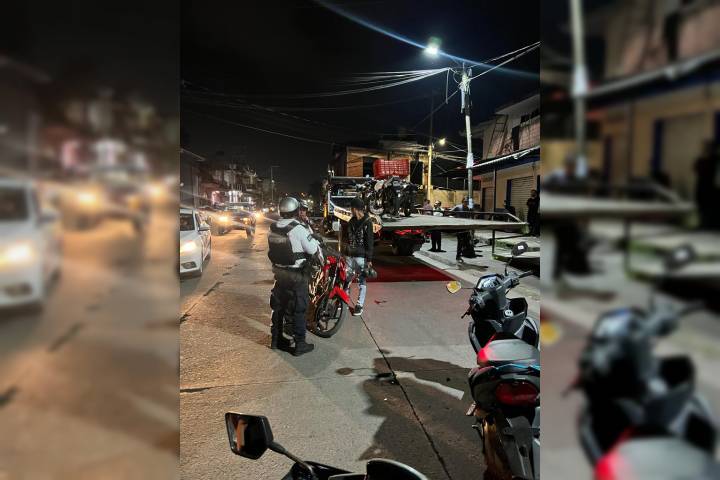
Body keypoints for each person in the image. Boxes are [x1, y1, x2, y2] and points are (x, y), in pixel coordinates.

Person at [267, 196, 323, 356]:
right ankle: (300, 344)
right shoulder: (298, 229)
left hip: (279, 274)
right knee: (299, 308)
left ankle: (276, 340)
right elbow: (312, 249)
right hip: (296, 275)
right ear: (296, 211)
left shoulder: (272, 228)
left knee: (278, 308)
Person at [346, 197, 374, 316]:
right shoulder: (351, 221)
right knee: (346, 279)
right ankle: (344, 301)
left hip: (361, 257)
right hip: (350, 256)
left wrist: (369, 259)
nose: (350, 210)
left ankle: (359, 305)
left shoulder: (367, 221)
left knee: (362, 281)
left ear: (355, 208)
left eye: (351, 208)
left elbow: (369, 242)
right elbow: (348, 239)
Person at [451, 197, 473, 263]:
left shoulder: (468, 208)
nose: (466, 202)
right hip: (459, 227)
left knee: (466, 241)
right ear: (462, 201)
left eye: (467, 202)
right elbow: (450, 212)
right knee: (460, 242)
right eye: (465, 201)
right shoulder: (458, 207)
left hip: (466, 227)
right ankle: (458, 256)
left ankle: (462, 254)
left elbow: (469, 217)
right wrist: (454, 219)